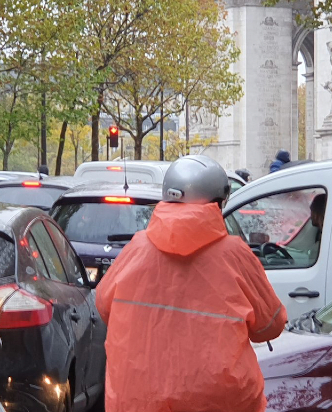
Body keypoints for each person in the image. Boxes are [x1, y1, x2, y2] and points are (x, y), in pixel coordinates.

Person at [95, 154, 287, 412]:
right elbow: (270, 325)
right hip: (221, 403)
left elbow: (104, 306)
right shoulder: (235, 255)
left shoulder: (136, 249)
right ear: (218, 202)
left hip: (137, 400)